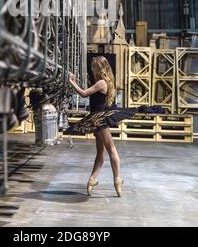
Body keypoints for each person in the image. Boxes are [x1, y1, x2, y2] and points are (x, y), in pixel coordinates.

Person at [67, 56, 159, 198]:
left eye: (94, 67)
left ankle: (115, 180)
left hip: (99, 119)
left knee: (111, 150)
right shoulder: (107, 82)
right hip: (98, 119)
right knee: (101, 152)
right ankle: (95, 179)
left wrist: (71, 82)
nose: (92, 70)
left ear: (99, 68)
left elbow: (84, 93)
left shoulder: (101, 82)